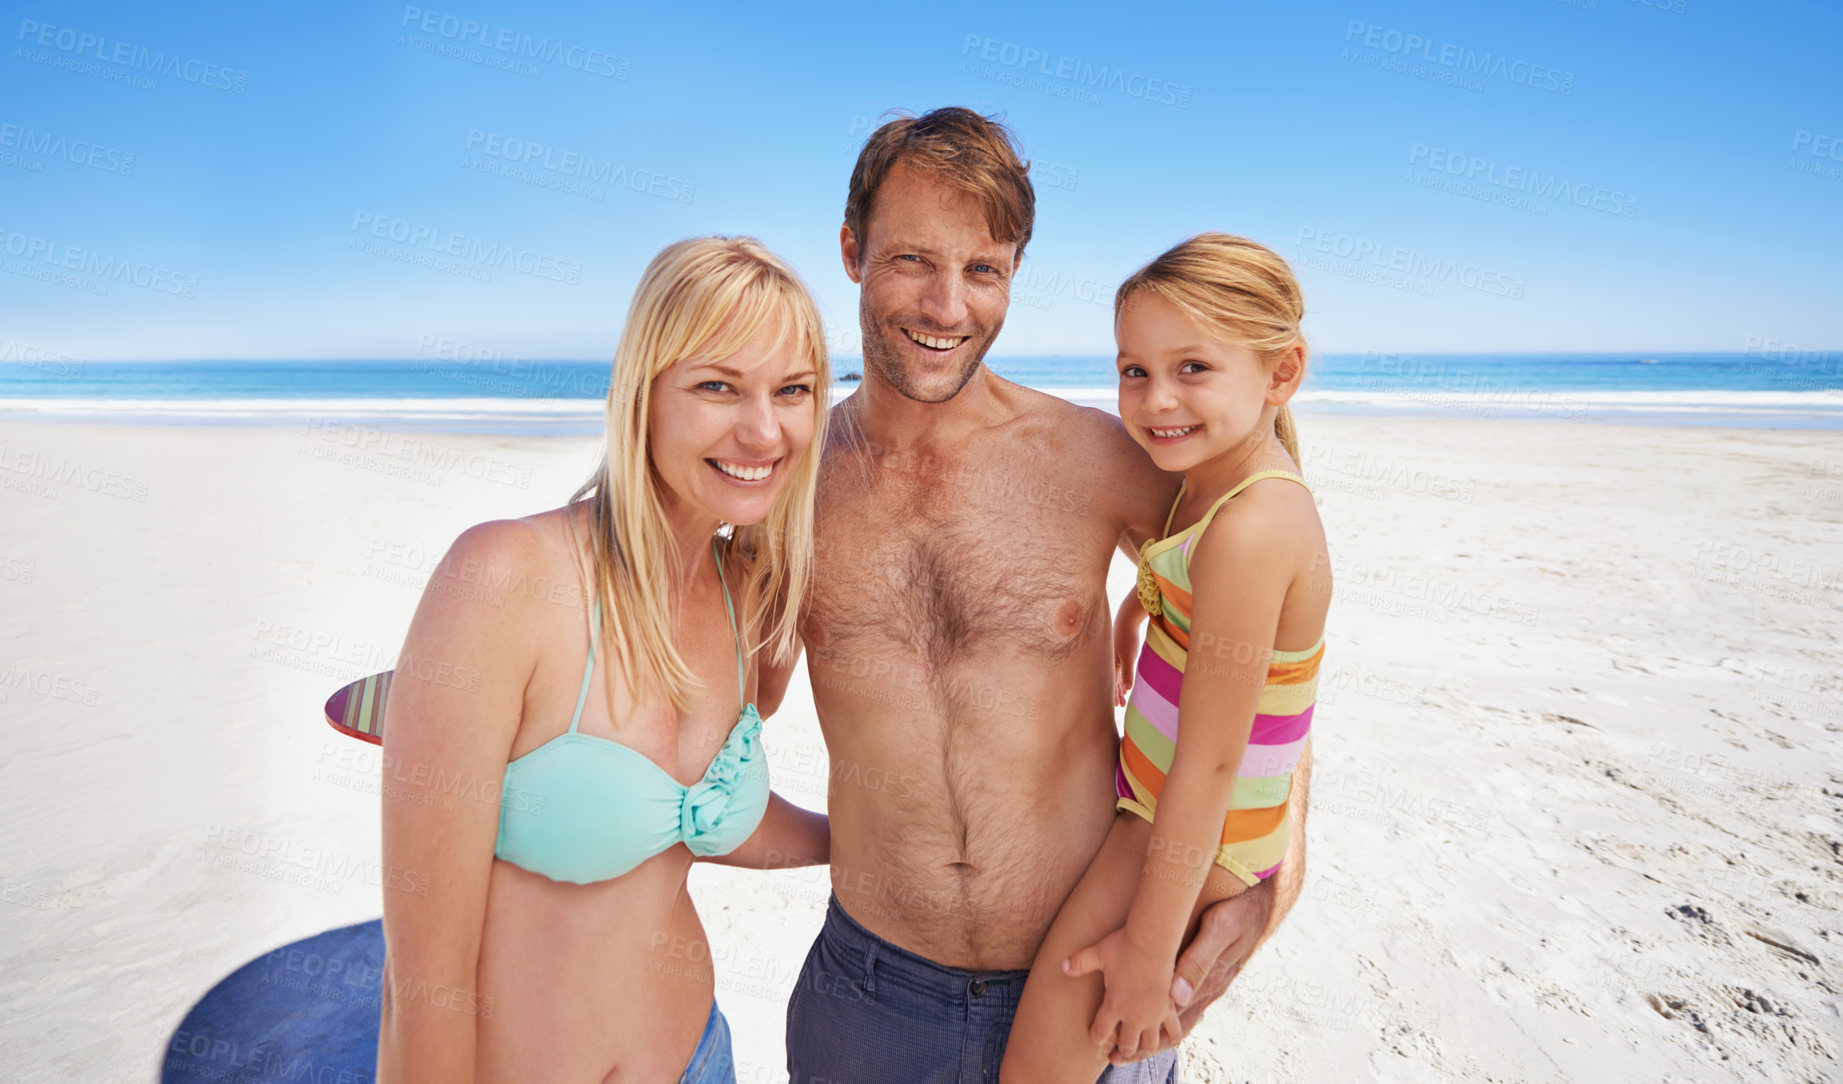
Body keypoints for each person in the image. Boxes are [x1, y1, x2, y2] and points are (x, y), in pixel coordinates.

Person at [785, 108, 1312, 1084]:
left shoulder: (1097, 459)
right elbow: (672, 663)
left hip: (1089, 983)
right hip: (868, 997)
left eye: (982, 270)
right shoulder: (784, 478)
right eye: (912, 260)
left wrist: (1271, 881)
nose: (947, 305)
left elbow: (1263, 664)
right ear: (852, 251)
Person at [375, 235, 831, 1083]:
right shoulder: (505, 581)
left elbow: (690, 818)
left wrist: (857, 842)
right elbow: (422, 983)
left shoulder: (747, 594)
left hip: (701, 1056)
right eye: (716, 387)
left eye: (792, 390)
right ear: (642, 396)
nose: (764, 429)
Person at [1000, 234, 1331, 1081]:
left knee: (1036, 1067)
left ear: (1280, 373)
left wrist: (1148, 954)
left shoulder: (1253, 528)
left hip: (1185, 833)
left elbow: (1211, 763)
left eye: (1192, 369)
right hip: (1166, 815)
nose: (1154, 400)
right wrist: (1134, 609)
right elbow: (1191, 592)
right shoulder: (1209, 479)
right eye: (1133, 371)